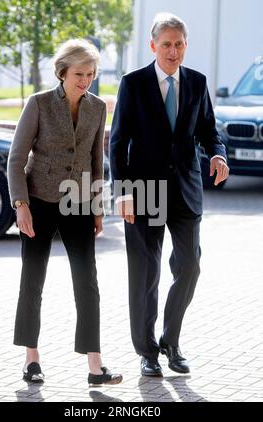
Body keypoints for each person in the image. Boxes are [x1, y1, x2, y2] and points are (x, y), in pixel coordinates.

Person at [110, 12, 229, 377]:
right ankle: (146, 352)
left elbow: (209, 130)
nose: (173, 51)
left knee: (189, 267)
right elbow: (117, 142)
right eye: (166, 44)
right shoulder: (133, 84)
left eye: (179, 44)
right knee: (145, 273)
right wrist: (122, 192)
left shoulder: (196, 82)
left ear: (185, 46)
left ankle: (171, 340)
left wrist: (219, 153)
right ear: (153, 46)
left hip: (186, 190)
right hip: (143, 190)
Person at [7, 39, 122, 386]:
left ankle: (95, 365)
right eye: (78, 74)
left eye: (90, 74)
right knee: (33, 281)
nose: (85, 80)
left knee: (88, 284)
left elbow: (95, 163)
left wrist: (98, 210)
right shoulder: (39, 104)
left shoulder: (98, 107)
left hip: (80, 204)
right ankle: (31, 359)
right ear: (62, 73)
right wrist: (21, 205)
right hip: (38, 201)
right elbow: (16, 159)